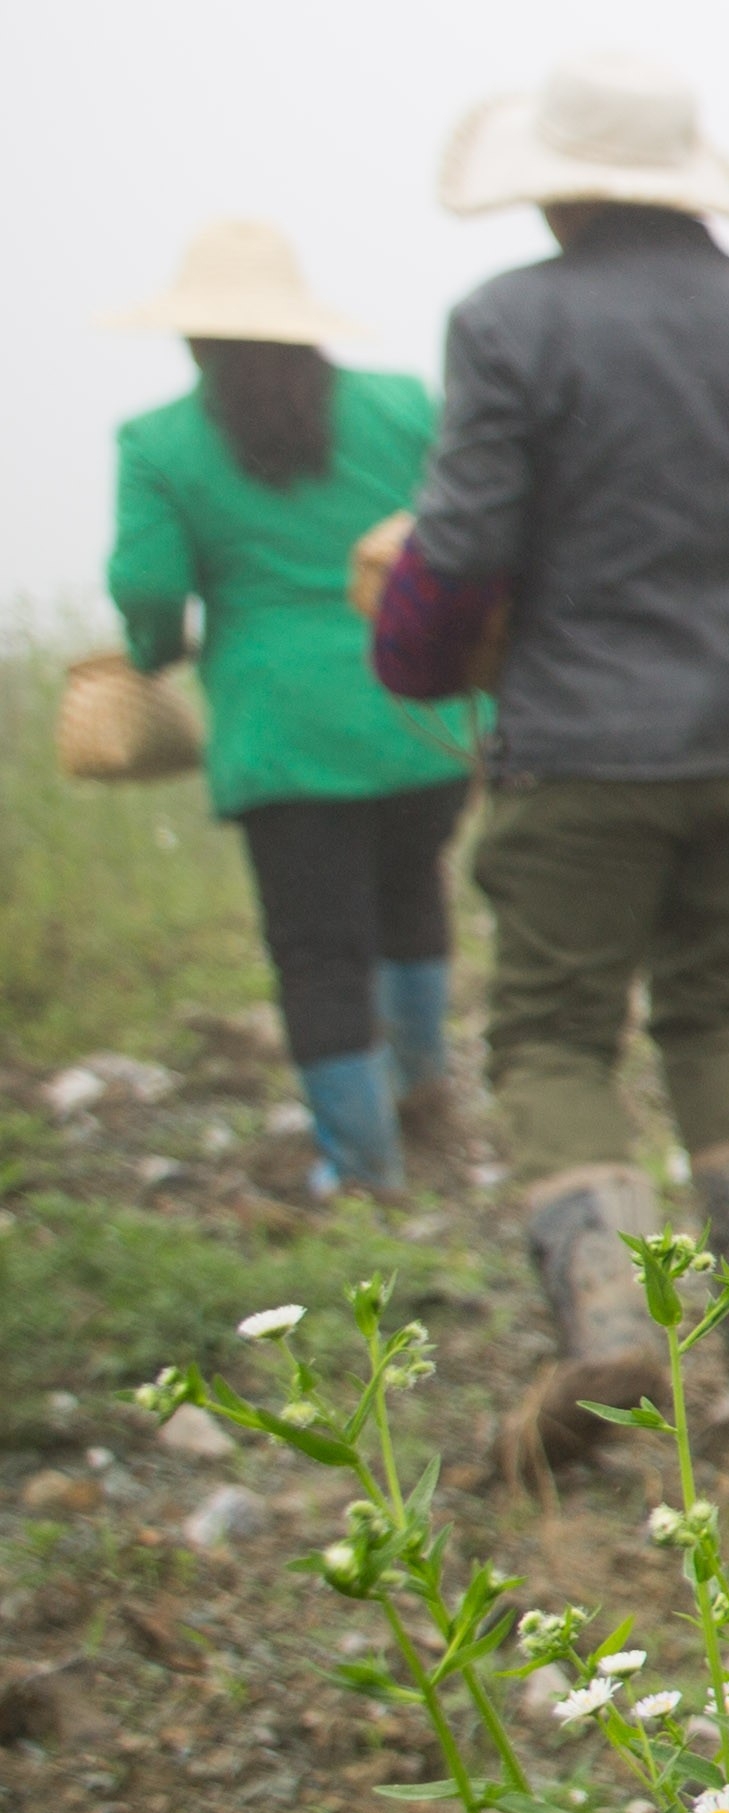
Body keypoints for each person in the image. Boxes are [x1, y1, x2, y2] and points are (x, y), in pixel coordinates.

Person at [371, 54, 729, 1469]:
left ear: (559, 191)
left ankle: (614, 1320)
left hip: (582, 743)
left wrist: (413, 651)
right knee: (719, 1011)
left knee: (554, 1030)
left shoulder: (508, 324)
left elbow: (467, 542)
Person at [97, 220, 479, 1198]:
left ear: (194, 336)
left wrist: (155, 658)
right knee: (410, 893)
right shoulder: (400, 407)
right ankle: (425, 1092)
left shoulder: (159, 443)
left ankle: (360, 1168)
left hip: (280, 731)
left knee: (318, 950)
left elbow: (148, 588)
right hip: (421, 710)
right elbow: (458, 531)